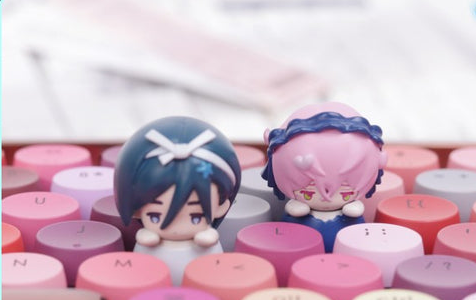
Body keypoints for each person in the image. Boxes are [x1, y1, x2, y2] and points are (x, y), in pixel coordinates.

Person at [114, 116, 241, 285]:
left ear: (221, 206)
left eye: (196, 217)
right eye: (155, 216)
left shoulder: (209, 244)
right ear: (136, 208)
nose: (177, 229)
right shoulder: (146, 243)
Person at [262, 102, 387, 252]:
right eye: (308, 194)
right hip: (298, 249)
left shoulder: (352, 214)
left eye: (346, 194)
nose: (326, 199)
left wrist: (354, 208)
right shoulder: (296, 212)